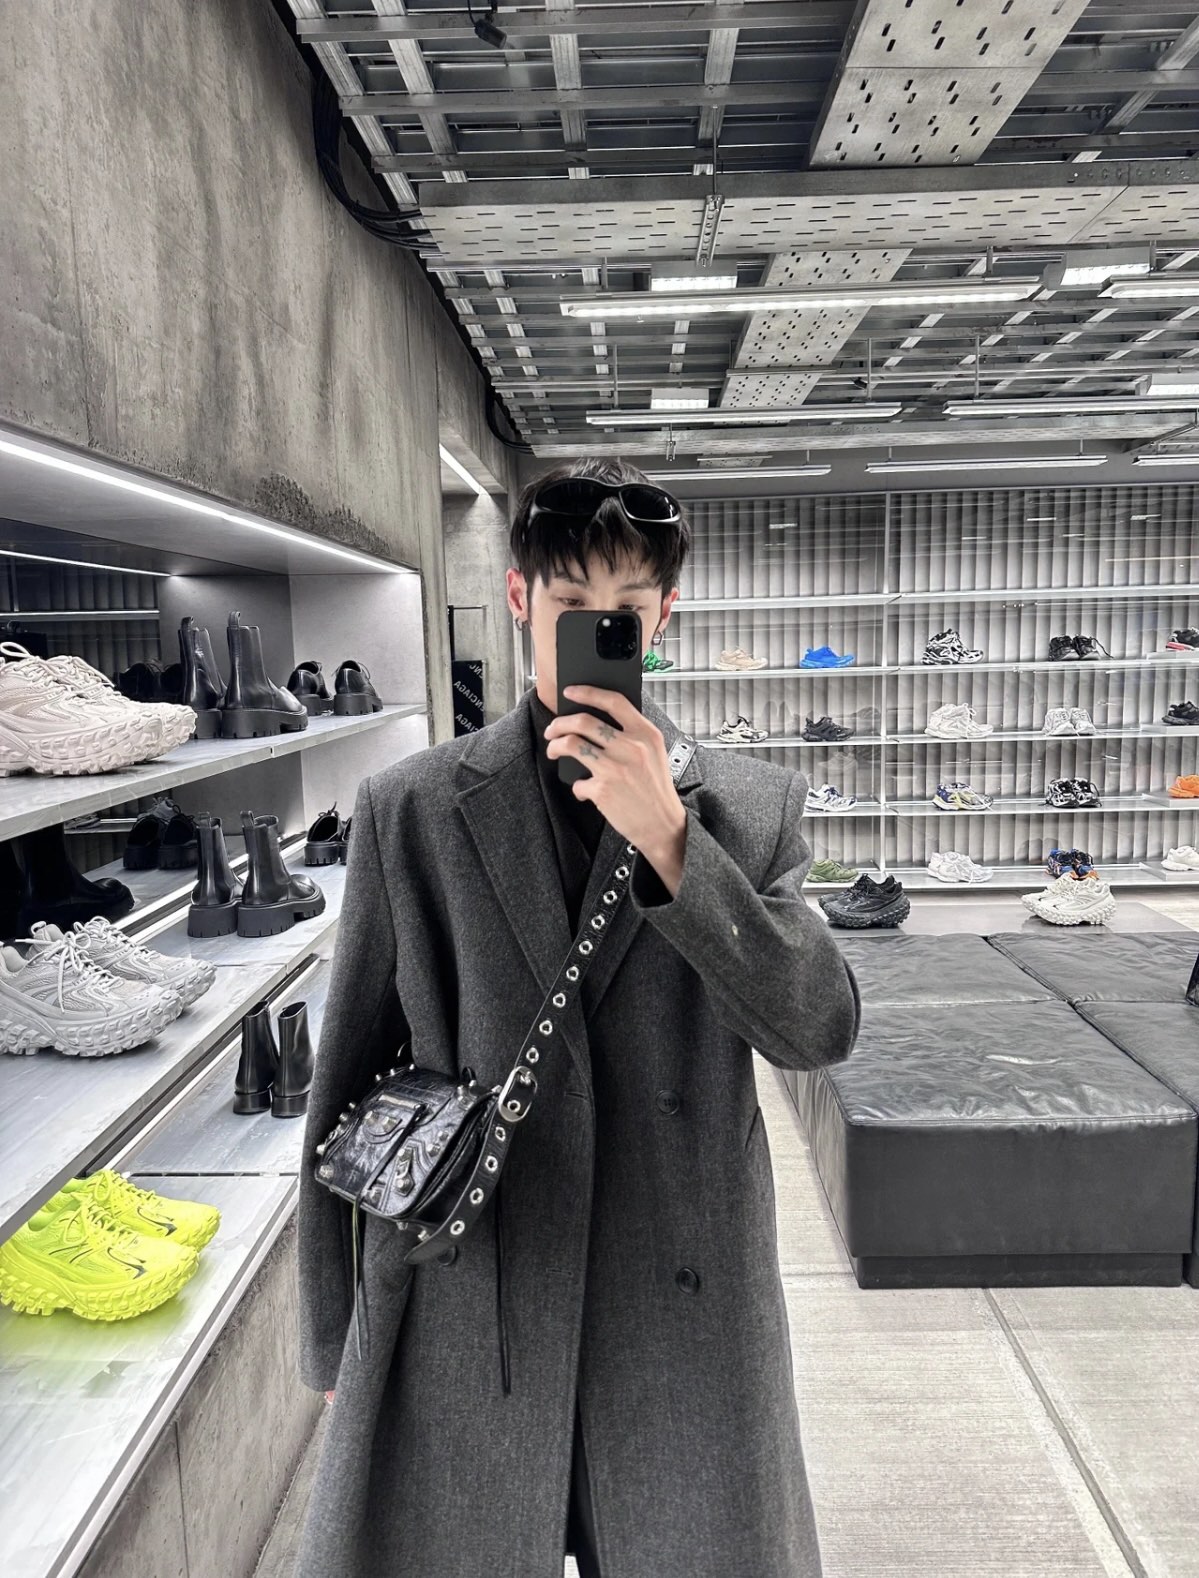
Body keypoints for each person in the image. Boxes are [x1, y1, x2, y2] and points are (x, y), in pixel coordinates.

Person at [293, 456, 861, 1578]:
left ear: (663, 617)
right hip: (477, 1283)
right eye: (568, 605)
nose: (597, 630)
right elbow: (343, 1078)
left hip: (681, 1296)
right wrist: (330, 1331)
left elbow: (817, 1030)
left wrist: (674, 846)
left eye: (625, 611)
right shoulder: (413, 808)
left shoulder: (748, 809)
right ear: (518, 599)